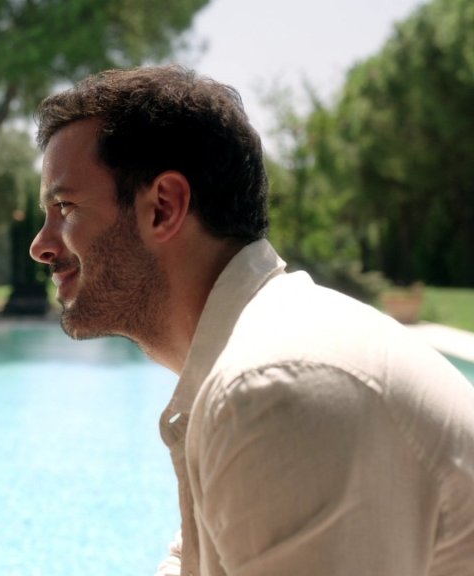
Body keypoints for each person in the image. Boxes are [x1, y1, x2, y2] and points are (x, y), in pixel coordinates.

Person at [29, 65, 474, 575]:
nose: (40, 245)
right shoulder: (262, 354)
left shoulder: (274, 385)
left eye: (65, 206)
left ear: (163, 208)